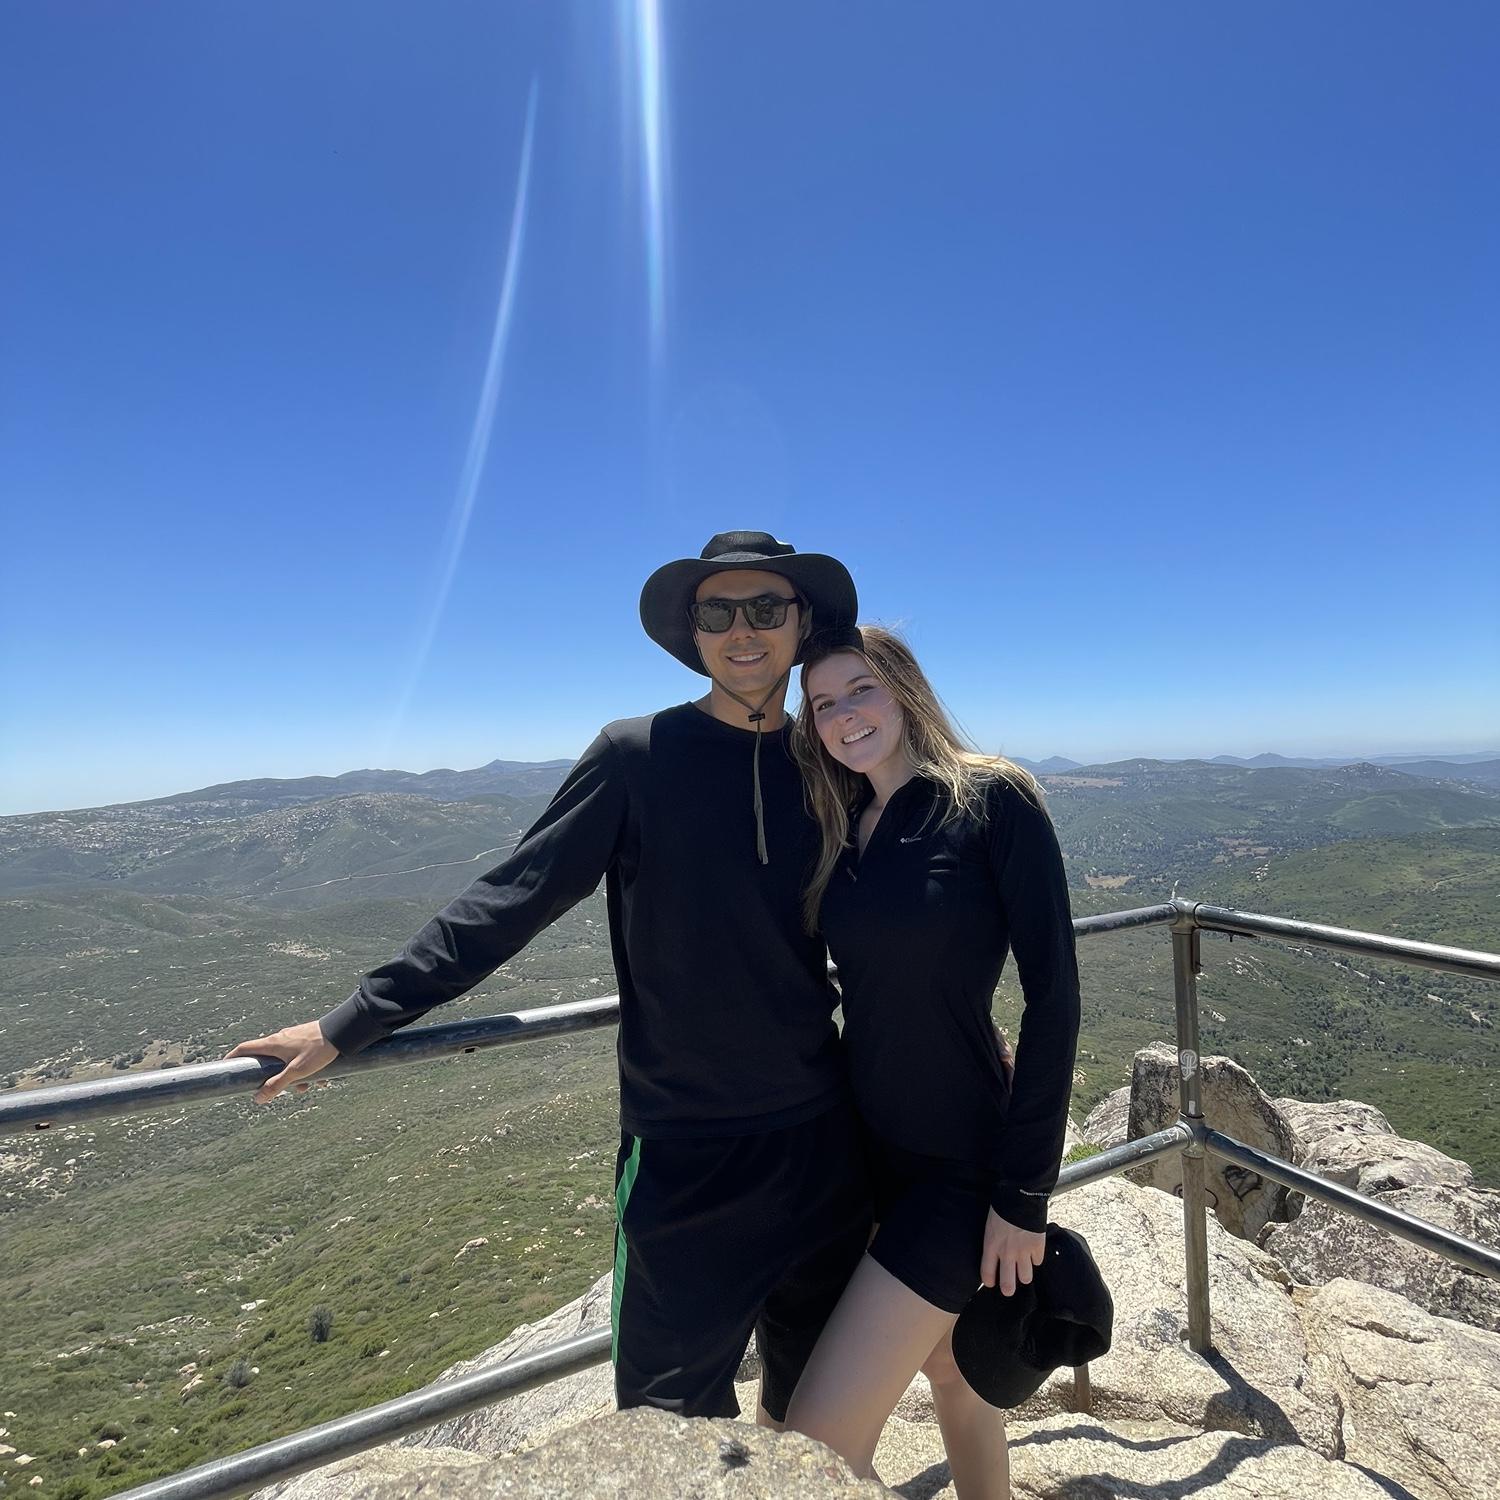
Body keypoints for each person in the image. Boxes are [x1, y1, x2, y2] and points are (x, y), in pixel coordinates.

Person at [227, 531, 873, 1426]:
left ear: (801, 625)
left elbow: (897, 923)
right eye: (718, 611)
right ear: (693, 633)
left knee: (818, 1409)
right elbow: (512, 899)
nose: (743, 629)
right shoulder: (636, 756)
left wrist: (957, 1023)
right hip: (686, 1148)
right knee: (664, 1425)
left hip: (825, 1135)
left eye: (766, 607)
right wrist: (353, 1021)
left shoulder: (831, 760)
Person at [782, 624, 1080, 1497]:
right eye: (823, 704)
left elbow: (1055, 999)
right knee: (955, 1374)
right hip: (868, 1161)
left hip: (959, 1168)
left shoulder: (992, 800)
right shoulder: (843, 827)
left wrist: (1024, 1195)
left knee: (816, 1447)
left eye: (860, 689)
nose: (844, 715)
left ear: (904, 690)